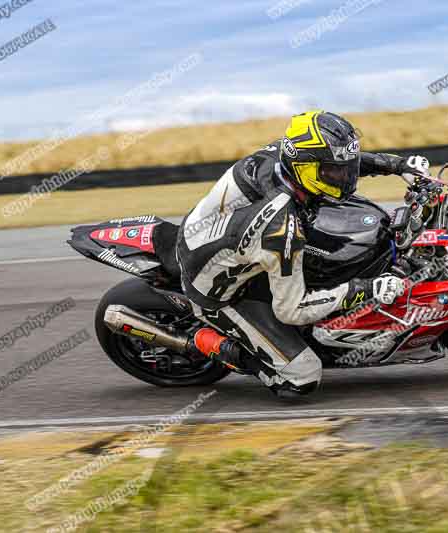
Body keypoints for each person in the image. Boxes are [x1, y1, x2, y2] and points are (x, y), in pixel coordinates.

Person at [176, 110, 431, 397]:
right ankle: (217, 347)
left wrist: (397, 165)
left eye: (345, 167)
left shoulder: (286, 154)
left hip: (217, 237)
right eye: (336, 172)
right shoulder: (280, 227)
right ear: (306, 169)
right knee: (302, 377)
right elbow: (291, 310)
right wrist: (365, 288)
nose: (345, 176)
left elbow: (337, 160)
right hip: (216, 290)